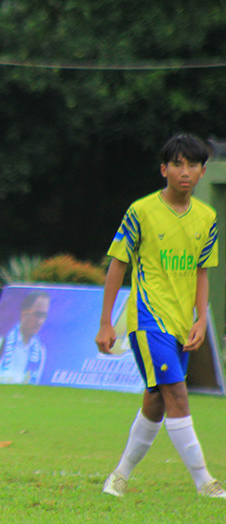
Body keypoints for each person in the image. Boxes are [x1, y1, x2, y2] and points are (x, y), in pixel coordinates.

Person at [97, 133, 225, 499]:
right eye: (178, 164)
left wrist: (201, 319)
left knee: (156, 399)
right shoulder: (141, 212)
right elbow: (117, 264)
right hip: (147, 319)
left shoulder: (207, 217)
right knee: (178, 396)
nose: (185, 172)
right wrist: (106, 322)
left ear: (203, 172)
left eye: (193, 165)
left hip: (182, 323)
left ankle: (119, 476)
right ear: (164, 170)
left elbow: (202, 272)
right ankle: (205, 481)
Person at [0, 290, 50, 384]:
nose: (40, 321)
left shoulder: (40, 351)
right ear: (24, 313)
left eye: (44, 316)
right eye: (37, 315)